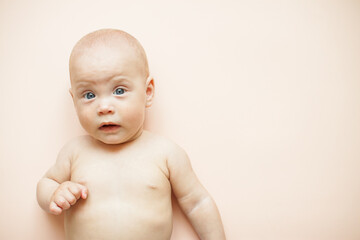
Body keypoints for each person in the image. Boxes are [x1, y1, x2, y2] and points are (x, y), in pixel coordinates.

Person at [36, 28, 226, 240]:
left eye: (119, 91)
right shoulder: (74, 152)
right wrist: (54, 193)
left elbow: (198, 203)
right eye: (89, 95)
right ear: (74, 100)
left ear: (147, 92)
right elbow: (46, 183)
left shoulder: (166, 153)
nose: (104, 107)